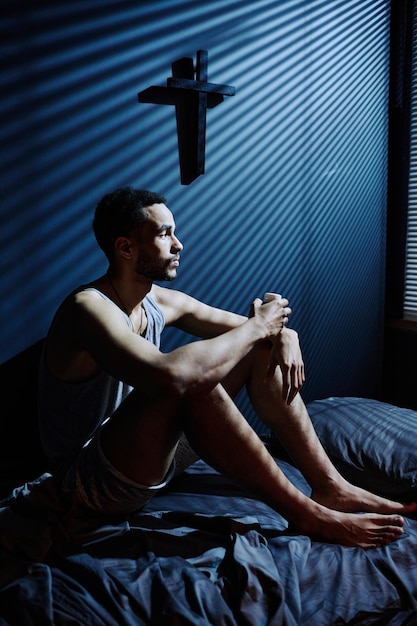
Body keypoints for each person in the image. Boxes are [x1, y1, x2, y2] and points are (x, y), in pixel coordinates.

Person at [38, 186, 416, 548]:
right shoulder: (88, 309)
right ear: (125, 247)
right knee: (193, 380)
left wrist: (285, 334)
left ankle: (329, 484)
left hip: (151, 459)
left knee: (255, 351)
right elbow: (174, 376)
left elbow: (256, 335)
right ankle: (310, 517)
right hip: (91, 480)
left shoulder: (157, 301)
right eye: (165, 233)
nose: (178, 244)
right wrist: (259, 327)